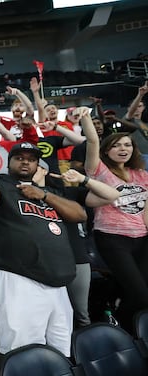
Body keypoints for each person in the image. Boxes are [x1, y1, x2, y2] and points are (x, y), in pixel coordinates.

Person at [0, 142, 87, 357]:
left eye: (31, 159)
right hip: (17, 276)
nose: (25, 162)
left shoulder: (47, 193)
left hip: (56, 280)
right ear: (9, 163)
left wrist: (43, 195)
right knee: (23, 351)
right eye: (19, 158)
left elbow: (80, 215)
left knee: (61, 348)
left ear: (38, 165)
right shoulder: (1, 185)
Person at [80, 105, 148, 331]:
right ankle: (120, 327)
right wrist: (86, 118)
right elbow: (92, 142)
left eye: (127, 144)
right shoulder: (100, 171)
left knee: (138, 291)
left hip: (142, 239)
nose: (123, 148)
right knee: (141, 296)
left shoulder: (141, 174)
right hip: (112, 238)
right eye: (117, 145)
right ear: (107, 150)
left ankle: (116, 314)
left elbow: (146, 209)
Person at [32, 162, 119, 327]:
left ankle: (81, 350)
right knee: (48, 315)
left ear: (44, 170)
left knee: (81, 315)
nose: (27, 167)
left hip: (75, 258)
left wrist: (83, 179)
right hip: (41, 262)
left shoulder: (66, 192)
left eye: (33, 165)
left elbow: (112, 195)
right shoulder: (19, 194)